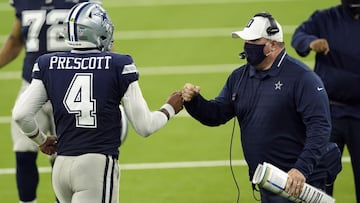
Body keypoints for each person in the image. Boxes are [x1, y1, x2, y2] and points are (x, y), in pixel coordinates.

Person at [12, 2, 183, 203]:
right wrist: (169, 108)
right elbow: (145, 127)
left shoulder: (47, 63)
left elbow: (21, 115)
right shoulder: (119, 64)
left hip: (61, 167)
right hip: (95, 166)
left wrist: (42, 140)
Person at [181, 12, 341, 203]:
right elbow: (217, 114)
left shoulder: (302, 78)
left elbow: (320, 127)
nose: (247, 46)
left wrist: (301, 168)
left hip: (300, 181)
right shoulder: (239, 77)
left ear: (272, 45)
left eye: (253, 41)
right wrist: (194, 101)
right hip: (268, 181)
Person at [0, 0, 102, 202]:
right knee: (23, 151)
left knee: (65, 156)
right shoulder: (24, 2)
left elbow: (101, 42)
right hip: (31, 84)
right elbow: (15, 40)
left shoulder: (83, 3)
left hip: (69, 88)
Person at [291, 0, 360, 201]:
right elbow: (299, 36)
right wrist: (311, 43)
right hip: (329, 114)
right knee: (319, 177)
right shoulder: (325, 18)